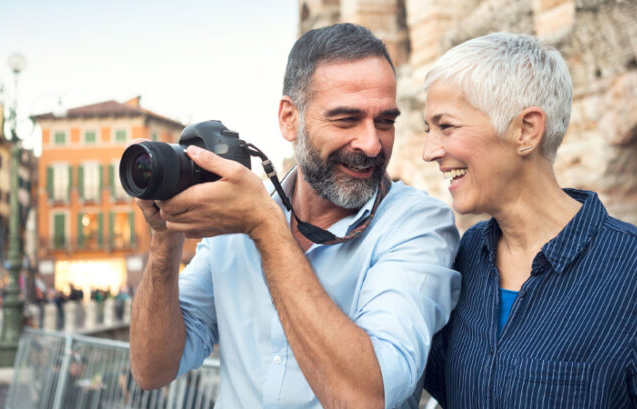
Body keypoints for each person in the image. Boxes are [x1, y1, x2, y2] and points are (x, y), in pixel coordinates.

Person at [129, 23, 460, 408]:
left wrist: (264, 226)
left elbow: (366, 398)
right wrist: (165, 239)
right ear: (289, 118)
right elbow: (151, 368)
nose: (371, 144)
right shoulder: (235, 220)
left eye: (385, 121)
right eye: (345, 119)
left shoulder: (418, 225)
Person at [419, 32, 637, 408]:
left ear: (526, 130)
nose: (430, 151)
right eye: (428, 129)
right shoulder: (464, 258)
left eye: (446, 126)